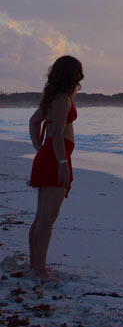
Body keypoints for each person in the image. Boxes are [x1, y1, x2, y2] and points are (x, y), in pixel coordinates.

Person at [27, 54, 84, 278]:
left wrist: (39, 147)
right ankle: (39, 269)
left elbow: (34, 122)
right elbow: (58, 134)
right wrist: (61, 163)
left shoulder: (53, 97)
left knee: (42, 216)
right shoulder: (61, 100)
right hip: (54, 158)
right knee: (47, 218)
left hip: (49, 155)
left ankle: (35, 265)